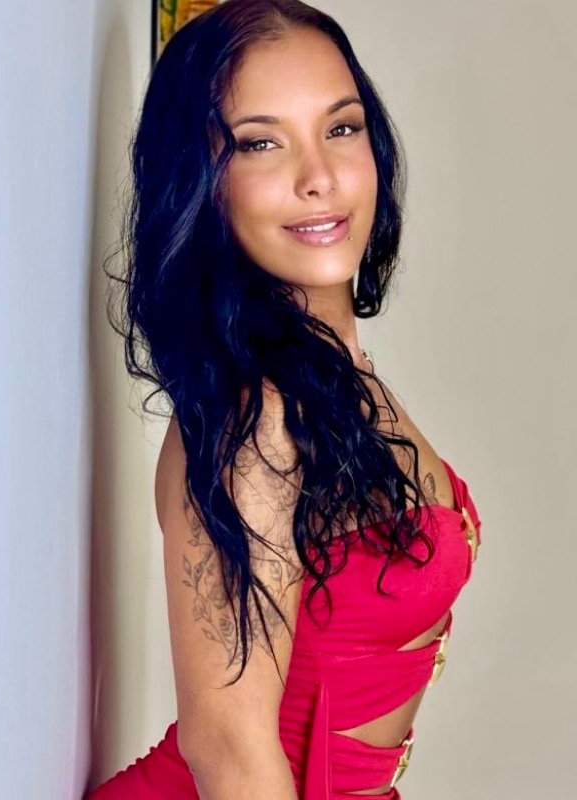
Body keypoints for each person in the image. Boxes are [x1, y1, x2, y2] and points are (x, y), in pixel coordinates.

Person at [85, 1, 483, 798]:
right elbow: (229, 749)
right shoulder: (258, 419)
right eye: (261, 143)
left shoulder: (335, 375)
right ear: (203, 182)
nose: (320, 178)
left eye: (341, 128)